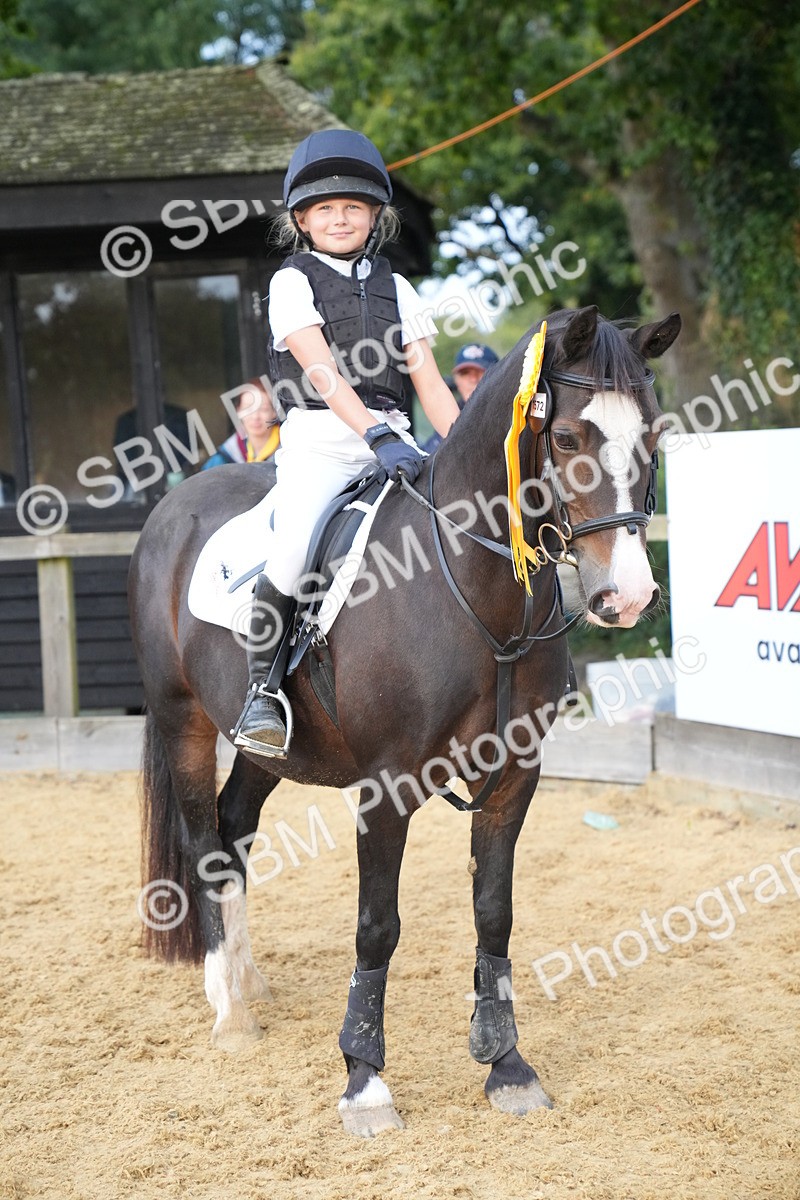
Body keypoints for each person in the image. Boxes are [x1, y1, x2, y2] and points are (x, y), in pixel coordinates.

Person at [233, 129, 460, 757]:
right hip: (320, 444)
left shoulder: (400, 288)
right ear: (302, 220)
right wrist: (373, 433)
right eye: (326, 209)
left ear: (374, 218)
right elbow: (321, 370)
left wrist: (469, 445)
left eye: (353, 208)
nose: (341, 218)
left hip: (396, 442)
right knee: (293, 552)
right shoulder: (290, 282)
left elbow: (433, 386)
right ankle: (264, 692)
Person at [422, 343, 499, 453]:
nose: (473, 379)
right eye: (465, 373)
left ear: (497, 376)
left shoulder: (512, 417)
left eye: (480, 371)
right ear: (456, 380)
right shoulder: (450, 415)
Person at [203, 378, 281, 469]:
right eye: (248, 408)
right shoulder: (225, 457)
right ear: (238, 411)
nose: (255, 417)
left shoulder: (290, 450)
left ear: (274, 412)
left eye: (263, 409)